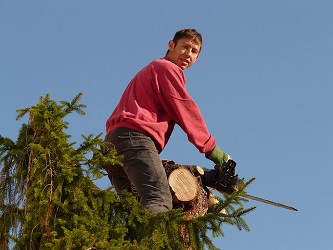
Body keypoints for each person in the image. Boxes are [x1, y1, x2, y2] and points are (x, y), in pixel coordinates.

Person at [105, 28, 233, 214]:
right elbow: (186, 111)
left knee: (134, 209)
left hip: (115, 140)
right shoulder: (166, 68)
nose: (188, 54)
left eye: (194, 51)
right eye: (185, 47)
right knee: (158, 199)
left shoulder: (154, 69)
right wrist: (216, 152)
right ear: (171, 45)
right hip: (135, 137)